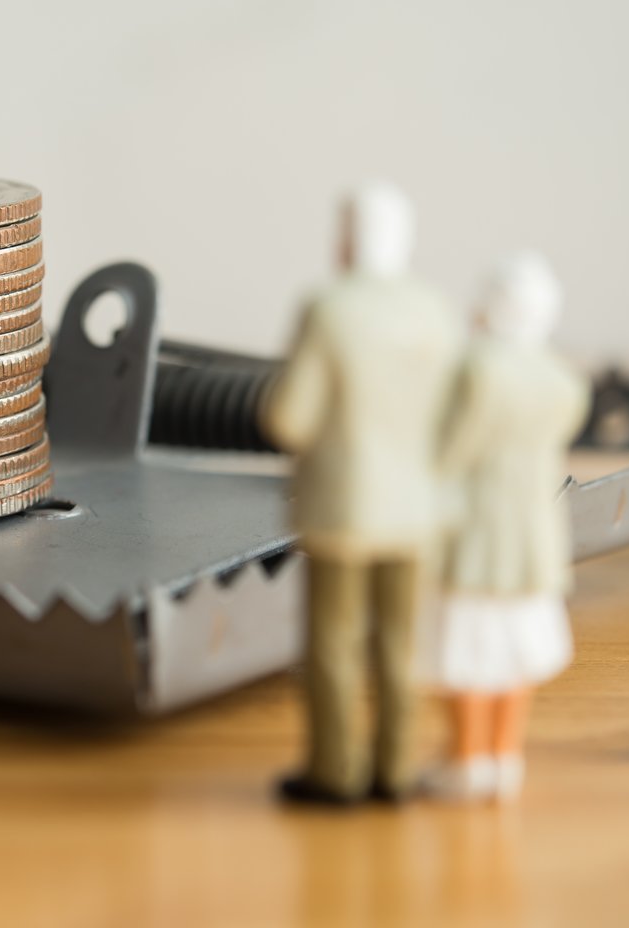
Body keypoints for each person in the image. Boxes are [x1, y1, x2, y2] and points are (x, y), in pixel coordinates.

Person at [260, 182, 462, 804]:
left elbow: (290, 419)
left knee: (334, 642)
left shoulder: (329, 309)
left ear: (345, 240)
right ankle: (395, 769)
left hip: (345, 508)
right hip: (419, 508)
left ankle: (336, 772)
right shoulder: (435, 309)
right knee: (402, 644)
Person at [421, 252, 590, 802]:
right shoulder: (562, 379)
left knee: (467, 656)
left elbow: (448, 450)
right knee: (517, 653)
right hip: (534, 537)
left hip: (474, 535)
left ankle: (467, 761)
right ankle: (504, 757)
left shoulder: (475, 369)